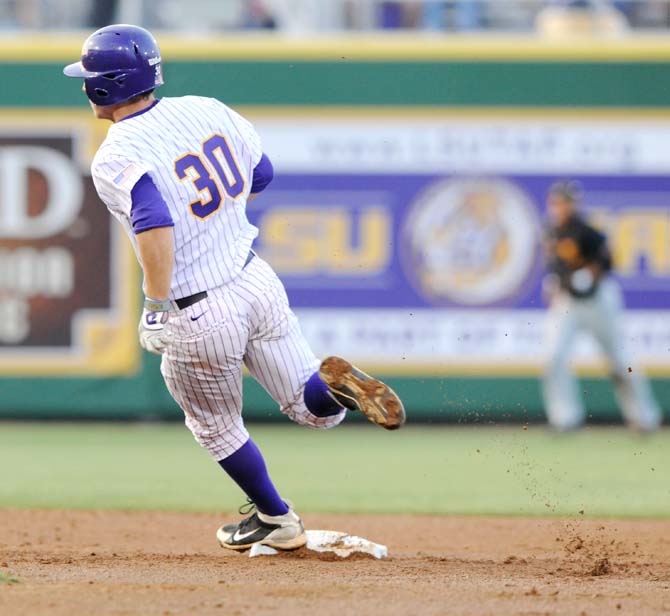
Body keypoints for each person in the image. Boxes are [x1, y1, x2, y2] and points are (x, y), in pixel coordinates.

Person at [63, 24, 405, 551]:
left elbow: (153, 220)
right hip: (254, 278)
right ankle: (334, 384)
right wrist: (215, 215)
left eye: (88, 78)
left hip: (198, 307)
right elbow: (260, 173)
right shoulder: (205, 107)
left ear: (105, 86)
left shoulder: (114, 153)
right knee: (317, 412)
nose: (84, 86)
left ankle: (277, 518)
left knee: (215, 427)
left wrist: (154, 305)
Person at [542, 180, 661, 432]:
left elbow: (606, 261)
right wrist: (555, 282)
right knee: (554, 357)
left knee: (620, 360)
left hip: (598, 300)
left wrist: (588, 275)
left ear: (574, 205)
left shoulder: (586, 231)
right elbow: (554, 265)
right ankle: (564, 419)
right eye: (558, 202)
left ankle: (644, 418)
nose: (562, 207)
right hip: (568, 302)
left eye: (566, 202)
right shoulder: (550, 230)